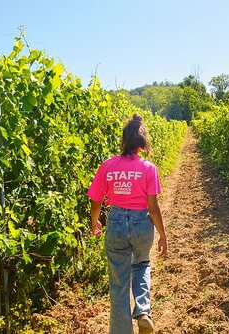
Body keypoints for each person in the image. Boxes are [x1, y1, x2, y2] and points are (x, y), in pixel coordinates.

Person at [87, 114, 168, 334]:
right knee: (141, 264)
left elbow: (96, 200)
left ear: (124, 140)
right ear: (142, 143)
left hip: (116, 223)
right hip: (142, 222)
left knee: (119, 283)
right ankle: (143, 311)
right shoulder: (149, 168)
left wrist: (95, 223)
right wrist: (162, 234)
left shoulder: (108, 166)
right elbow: (153, 206)